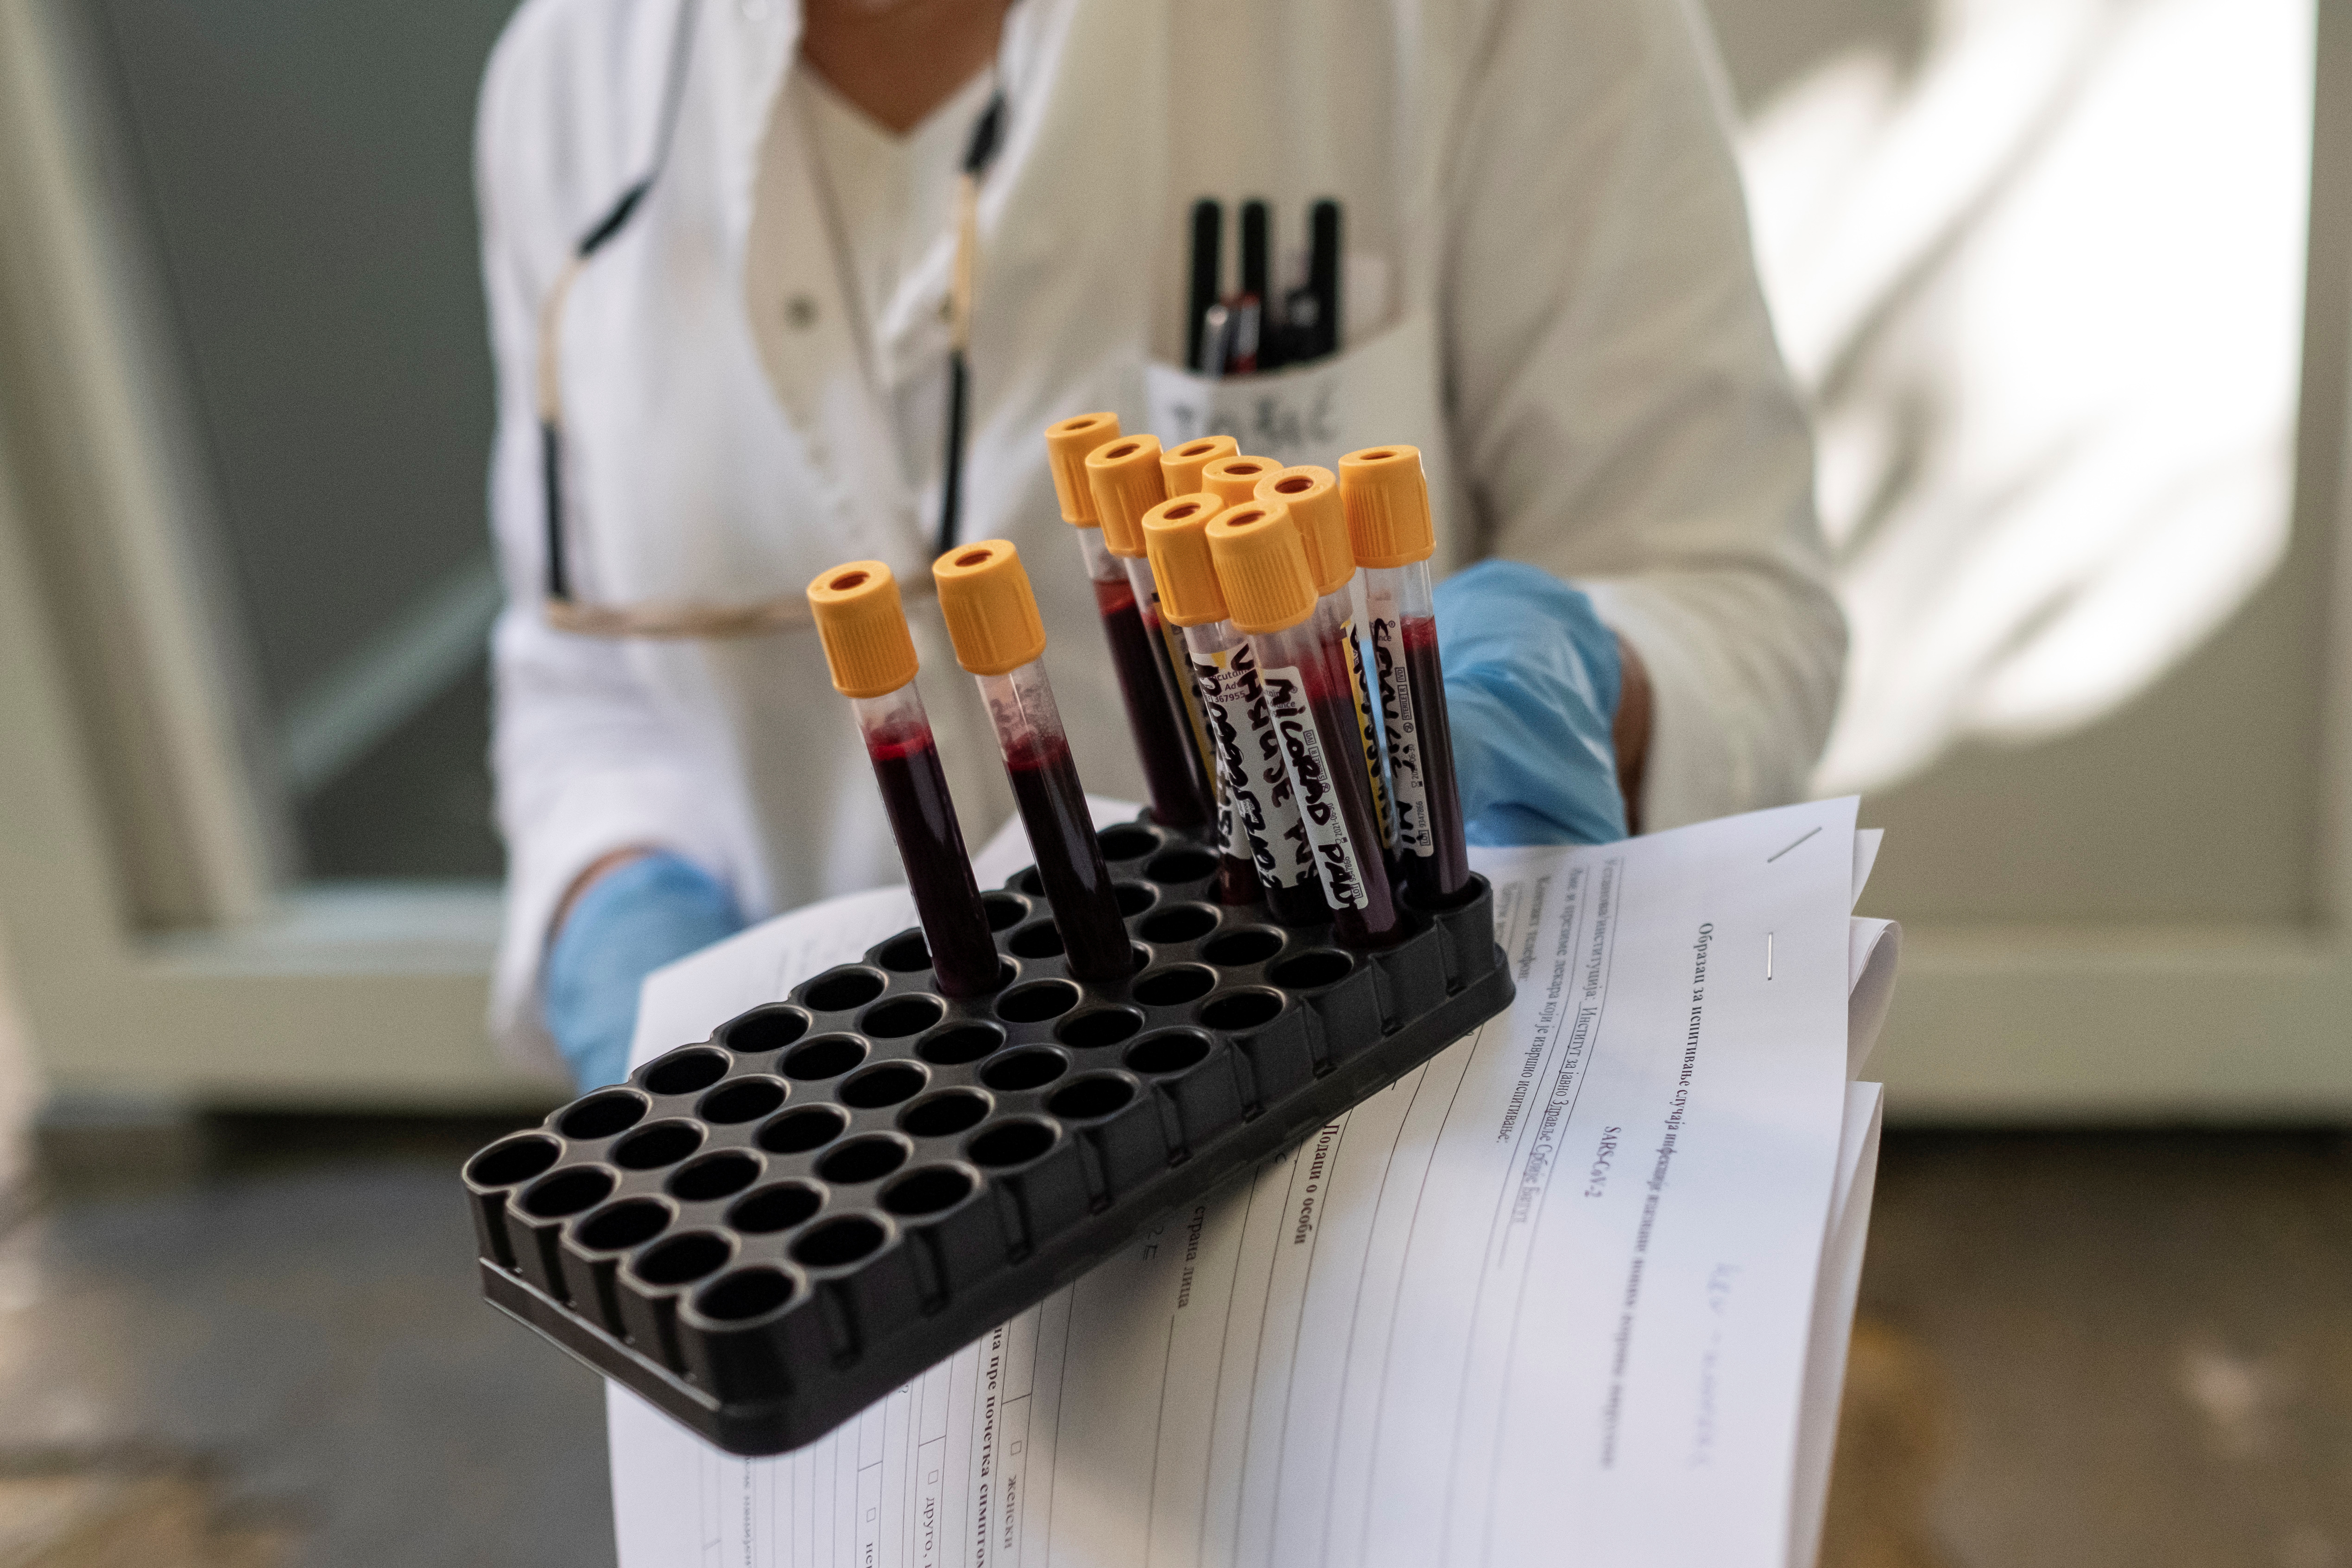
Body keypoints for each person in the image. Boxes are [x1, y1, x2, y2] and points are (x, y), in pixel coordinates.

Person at [478, 0, 1844, 1091]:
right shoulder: (564, 78)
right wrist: (620, 919)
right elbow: (590, 671)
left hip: (1386, 1093)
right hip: (879, 1175)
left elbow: (1731, 595)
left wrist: (1569, 689)